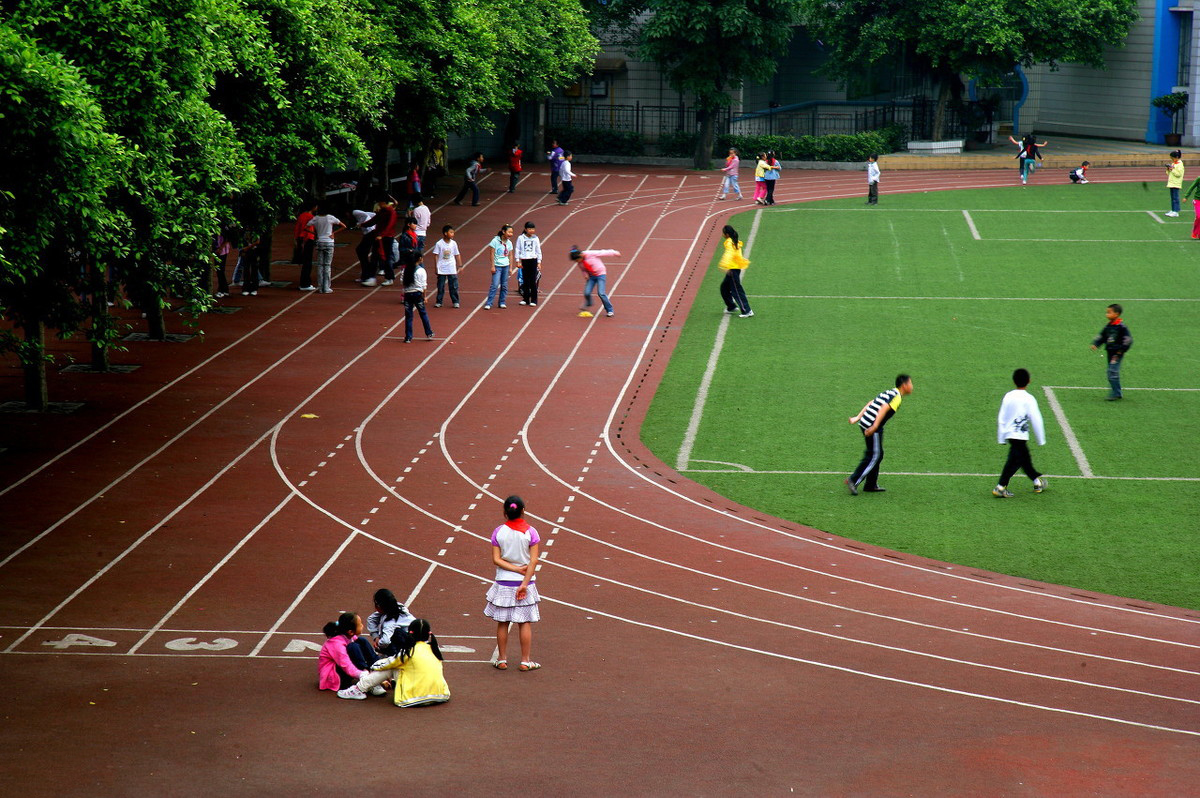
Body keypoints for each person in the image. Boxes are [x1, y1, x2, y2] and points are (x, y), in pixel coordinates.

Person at [484, 495, 542, 672]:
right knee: (524, 622)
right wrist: (524, 582)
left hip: (503, 582)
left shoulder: (498, 532)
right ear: (523, 511)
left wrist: (513, 570)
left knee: (503, 622)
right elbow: (533, 561)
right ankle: (525, 661)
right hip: (525, 583)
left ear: (505, 512)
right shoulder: (531, 532)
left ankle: (502, 659)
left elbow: (496, 559)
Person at [338, 619, 451, 706]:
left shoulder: (408, 652)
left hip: (412, 699)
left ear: (410, 633)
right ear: (429, 634)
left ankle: (359, 689)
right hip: (441, 695)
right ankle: (369, 686)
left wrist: (372, 667)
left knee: (392, 668)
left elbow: (387, 664)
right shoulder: (434, 650)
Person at [844, 374, 913, 495]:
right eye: (910, 383)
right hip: (872, 425)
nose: (912, 386)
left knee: (877, 454)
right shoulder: (896, 397)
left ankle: (871, 484)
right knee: (875, 455)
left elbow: (872, 402)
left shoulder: (890, 392)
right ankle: (853, 480)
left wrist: (857, 417)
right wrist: (874, 426)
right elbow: (884, 408)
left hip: (866, 422)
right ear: (904, 385)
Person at [992, 368, 1048, 498]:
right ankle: (1001, 486)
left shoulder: (1008, 396)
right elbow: (1036, 419)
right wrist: (1040, 439)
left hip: (1010, 434)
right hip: (1021, 435)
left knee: (1023, 459)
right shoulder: (1029, 399)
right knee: (1015, 461)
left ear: (1014, 381)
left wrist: (1001, 437)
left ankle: (1037, 481)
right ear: (1029, 381)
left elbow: (1002, 416)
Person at [318, 612, 377, 693]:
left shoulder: (349, 636)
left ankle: (378, 668)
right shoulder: (336, 643)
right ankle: (368, 679)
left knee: (362, 641)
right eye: (360, 624)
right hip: (333, 677)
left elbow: (362, 646)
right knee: (353, 647)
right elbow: (345, 664)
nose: (362, 626)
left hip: (343, 671)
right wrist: (362, 675)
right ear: (350, 632)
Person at [1090, 303, 1133, 400]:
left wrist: (1121, 350)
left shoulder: (1122, 327)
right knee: (1111, 372)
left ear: (1116, 314)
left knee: (1112, 371)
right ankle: (1117, 392)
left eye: (1109, 312)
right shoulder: (1109, 326)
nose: (1107, 314)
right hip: (1110, 352)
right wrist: (1096, 344)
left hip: (1117, 353)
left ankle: (1115, 393)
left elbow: (1128, 340)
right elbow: (1102, 336)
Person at [306, 203, 346, 294]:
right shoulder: (330, 217)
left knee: (320, 265)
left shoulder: (316, 218)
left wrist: (316, 234)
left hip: (320, 242)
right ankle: (326, 287)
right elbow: (344, 226)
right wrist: (333, 233)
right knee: (327, 265)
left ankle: (320, 287)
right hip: (329, 242)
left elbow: (306, 227)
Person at [571, 245, 616, 318]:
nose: (577, 262)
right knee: (587, 292)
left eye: (577, 260)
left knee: (601, 293)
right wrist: (585, 274)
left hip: (600, 274)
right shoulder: (579, 262)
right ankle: (589, 303)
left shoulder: (590, 254)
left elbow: (602, 252)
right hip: (591, 277)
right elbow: (583, 269)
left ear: (580, 256)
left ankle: (610, 310)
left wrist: (614, 253)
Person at [718, 225, 752, 318]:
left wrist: (724, 265)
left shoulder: (729, 243)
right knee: (724, 288)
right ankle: (731, 306)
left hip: (732, 270)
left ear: (727, 234)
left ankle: (747, 311)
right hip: (734, 268)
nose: (722, 234)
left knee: (736, 291)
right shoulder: (734, 240)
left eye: (723, 233)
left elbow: (728, 254)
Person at [401, 248, 434, 343]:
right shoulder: (421, 271)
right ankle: (429, 332)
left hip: (407, 295)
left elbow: (402, 282)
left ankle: (408, 337)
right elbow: (423, 285)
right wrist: (425, 297)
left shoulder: (405, 270)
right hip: (417, 294)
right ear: (419, 259)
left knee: (408, 316)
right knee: (423, 313)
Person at [365, 196, 398, 287]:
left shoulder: (391, 212)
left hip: (386, 237)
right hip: (379, 236)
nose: (378, 204)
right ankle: (372, 278)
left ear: (384, 202)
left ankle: (389, 278)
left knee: (387, 258)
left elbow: (390, 225)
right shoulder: (382, 211)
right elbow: (374, 220)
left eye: (380, 202)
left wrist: (382, 235)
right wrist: (363, 224)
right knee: (374, 257)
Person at [428, 224, 461, 308]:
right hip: (442, 267)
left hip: (451, 267)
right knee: (440, 286)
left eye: (453, 232)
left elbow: (457, 254)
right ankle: (439, 301)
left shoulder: (454, 243)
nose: (453, 234)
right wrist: (436, 267)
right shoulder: (439, 244)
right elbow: (435, 255)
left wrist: (460, 265)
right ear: (445, 233)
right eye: (451, 232)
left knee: (453, 286)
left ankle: (455, 301)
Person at [484, 223, 514, 309]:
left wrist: (511, 268)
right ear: (503, 231)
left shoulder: (509, 243)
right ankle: (489, 303)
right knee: (495, 284)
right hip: (497, 266)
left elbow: (510, 255)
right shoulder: (495, 241)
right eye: (509, 232)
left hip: (506, 266)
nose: (511, 234)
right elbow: (492, 253)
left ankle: (502, 302)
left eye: (512, 232)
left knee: (504, 285)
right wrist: (492, 266)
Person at [515, 221, 542, 306]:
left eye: (533, 229)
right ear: (526, 229)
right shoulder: (521, 238)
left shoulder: (535, 238)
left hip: (533, 260)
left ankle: (534, 300)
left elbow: (538, 250)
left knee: (532, 280)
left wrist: (539, 262)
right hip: (524, 260)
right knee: (525, 280)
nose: (531, 230)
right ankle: (525, 299)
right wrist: (517, 260)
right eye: (529, 229)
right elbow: (517, 249)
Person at [352, 203, 379, 285]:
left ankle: (367, 275)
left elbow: (367, 216)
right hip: (369, 233)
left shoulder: (355, 212)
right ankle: (365, 274)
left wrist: (361, 224)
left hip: (370, 233)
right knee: (361, 252)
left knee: (361, 251)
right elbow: (372, 214)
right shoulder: (358, 213)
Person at [294, 201, 317, 291]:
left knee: (305, 262)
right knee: (308, 262)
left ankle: (304, 282)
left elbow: (297, 229)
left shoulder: (301, 215)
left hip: (301, 239)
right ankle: (305, 283)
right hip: (308, 239)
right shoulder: (310, 217)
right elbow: (307, 229)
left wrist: (297, 240)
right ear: (313, 207)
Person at [1166, 150, 1185, 216]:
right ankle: (1173, 210)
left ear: (1177, 157)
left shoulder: (1180, 165)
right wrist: (1168, 169)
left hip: (1176, 183)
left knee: (1175, 198)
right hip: (1172, 183)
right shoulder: (1174, 163)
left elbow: (1178, 174)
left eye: (1172, 158)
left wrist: (1172, 169)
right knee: (1173, 197)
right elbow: (1168, 173)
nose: (1172, 159)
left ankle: (1176, 211)